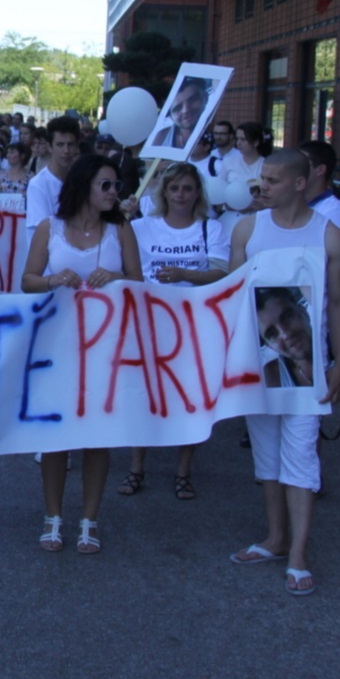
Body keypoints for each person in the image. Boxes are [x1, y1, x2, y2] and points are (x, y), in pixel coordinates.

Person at [227, 148, 340, 596]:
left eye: (274, 180)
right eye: (262, 179)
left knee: (301, 457)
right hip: (259, 368)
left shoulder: (331, 236)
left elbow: (339, 303)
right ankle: (275, 538)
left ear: (300, 183)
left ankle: (298, 553)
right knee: (267, 456)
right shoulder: (246, 229)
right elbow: (232, 297)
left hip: (310, 372)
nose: (263, 188)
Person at [22, 153, 143, 553]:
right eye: (105, 185)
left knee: (97, 436)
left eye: (116, 186)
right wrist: (54, 279)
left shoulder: (121, 229)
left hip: (106, 348)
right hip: (57, 347)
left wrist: (119, 278)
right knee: (56, 435)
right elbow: (27, 281)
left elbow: (140, 284)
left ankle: (89, 519)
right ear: (84, 187)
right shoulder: (49, 227)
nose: (114, 193)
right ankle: (53, 516)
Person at [122, 163, 228, 499]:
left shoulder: (212, 228)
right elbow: (122, 264)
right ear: (163, 192)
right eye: (174, 189)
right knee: (145, 396)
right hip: (150, 322)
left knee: (190, 398)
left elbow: (223, 273)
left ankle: (184, 472)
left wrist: (186, 274)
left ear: (198, 193)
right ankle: (136, 468)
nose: (181, 195)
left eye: (188, 189)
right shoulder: (142, 227)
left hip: (196, 324)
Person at [24, 115, 80, 234]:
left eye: (70, 144)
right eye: (60, 144)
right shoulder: (38, 185)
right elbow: (41, 234)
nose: (66, 151)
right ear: (50, 147)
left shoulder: (83, 180)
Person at [254, 286, 317, 387]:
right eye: (272, 334)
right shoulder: (272, 378)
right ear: (269, 345)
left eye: (287, 317)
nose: (286, 334)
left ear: (303, 312)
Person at [300, 140, 340, 240]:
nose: (295, 168)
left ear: (320, 170)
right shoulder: (296, 203)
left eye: (302, 163)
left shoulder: (334, 213)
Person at [150, 77, 210, 150]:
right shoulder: (161, 138)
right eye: (177, 108)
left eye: (193, 100)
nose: (186, 110)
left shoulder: (219, 131)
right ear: (170, 115)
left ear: (206, 98)